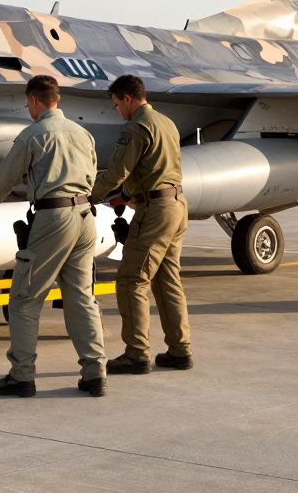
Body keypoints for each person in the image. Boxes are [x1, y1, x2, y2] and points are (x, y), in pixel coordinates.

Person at [0, 75, 108, 398]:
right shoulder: (82, 133)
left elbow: (6, 175)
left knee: (25, 298)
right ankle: (95, 373)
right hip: (86, 217)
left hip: (54, 218)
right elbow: (93, 173)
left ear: (33, 101)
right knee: (81, 296)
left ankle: (22, 375)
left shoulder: (33, 135)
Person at [90, 74, 192, 374]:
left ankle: (136, 354)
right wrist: (124, 196)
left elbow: (117, 171)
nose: (117, 110)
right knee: (167, 278)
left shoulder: (136, 127)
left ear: (128, 99)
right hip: (176, 206)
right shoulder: (166, 122)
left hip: (155, 212)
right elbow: (156, 169)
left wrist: (87, 195)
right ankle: (180, 350)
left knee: (132, 280)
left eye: (116, 104)